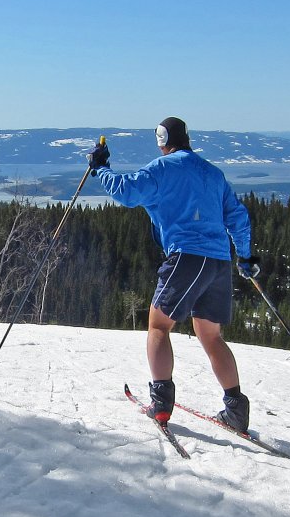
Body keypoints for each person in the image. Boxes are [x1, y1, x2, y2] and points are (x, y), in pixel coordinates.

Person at [88, 117, 260, 433]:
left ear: (162, 140)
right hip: (219, 261)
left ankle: (161, 405)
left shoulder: (163, 168)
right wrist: (246, 256)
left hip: (186, 257)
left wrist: (101, 169)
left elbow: (127, 192)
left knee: (158, 325)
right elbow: (238, 217)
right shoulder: (213, 173)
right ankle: (235, 410)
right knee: (211, 335)